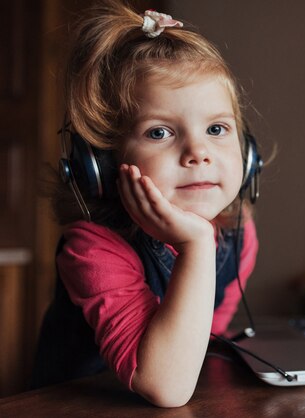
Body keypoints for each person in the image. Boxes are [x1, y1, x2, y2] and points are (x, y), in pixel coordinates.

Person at [32, 0, 262, 407]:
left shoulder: (237, 236)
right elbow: (166, 386)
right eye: (159, 133)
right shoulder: (91, 250)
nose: (198, 152)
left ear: (247, 154)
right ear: (103, 163)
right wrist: (195, 246)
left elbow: (207, 342)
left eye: (216, 128)